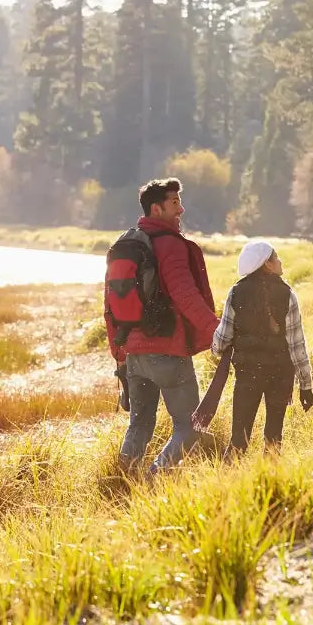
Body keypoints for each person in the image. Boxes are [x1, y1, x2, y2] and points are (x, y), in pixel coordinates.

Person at [107, 177, 218, 473]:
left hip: (133, 353)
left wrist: (119, 351)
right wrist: (217, 331)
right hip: (167, 352)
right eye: (174, 203)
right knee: (190, 425)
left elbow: (109, 306)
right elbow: (185, 294)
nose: (181, 210)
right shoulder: (169, 245)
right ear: (156, 209)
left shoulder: (125, 244)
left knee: (139, 425)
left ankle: (124, 482)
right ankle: (156, 477)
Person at [210, 240, 313, 456]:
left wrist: (217, 350)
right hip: (280, 374)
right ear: (267, 264)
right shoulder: (288, 294)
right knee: (274, 438)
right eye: (276, 257)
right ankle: (270, 483)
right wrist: (306, 385)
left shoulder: (236, 292)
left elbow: (221, 341)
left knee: (239, 438)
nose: (280, 261)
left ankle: (229, 481)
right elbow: (297, 347)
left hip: (247, 374)